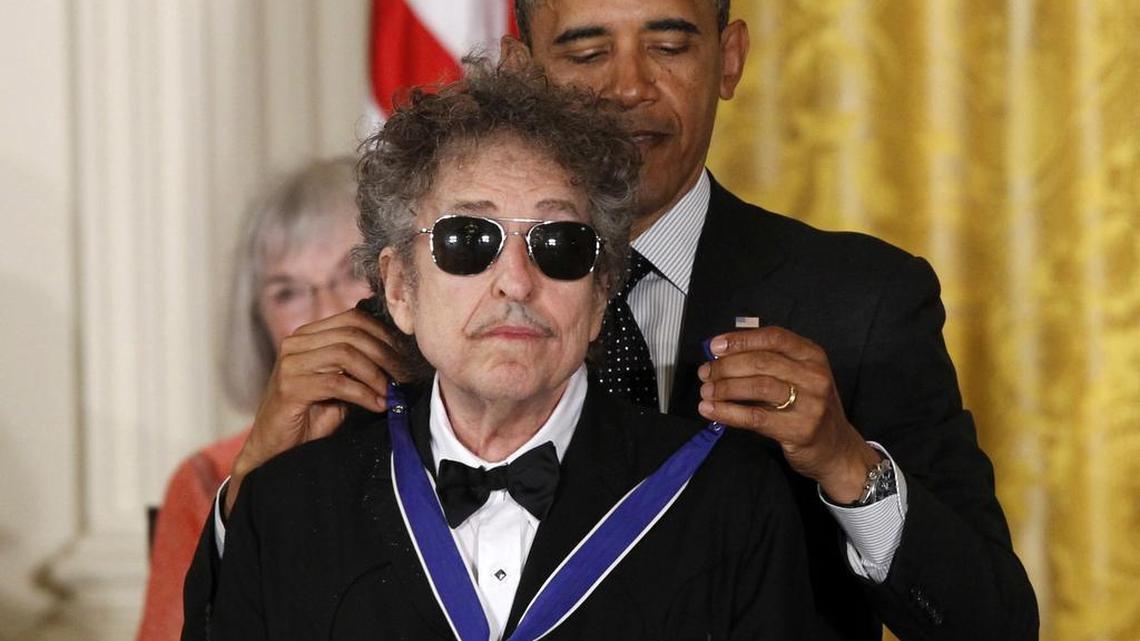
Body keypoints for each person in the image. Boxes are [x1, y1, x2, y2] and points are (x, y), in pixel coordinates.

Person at [187, 2, 1038, 640]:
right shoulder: (413, 321)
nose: (629, 86)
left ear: (729, 57)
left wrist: (849, 464)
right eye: (587, 48)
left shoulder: (862, 301)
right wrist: (258, 470)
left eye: (669, 44)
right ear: (520, 68)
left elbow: (994, 625)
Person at [187, 63, 812, 640]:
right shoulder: (289, 507)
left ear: (599, 296)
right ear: (400, 288)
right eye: (468, 239)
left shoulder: (726, 499)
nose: (515, 281)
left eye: (558, 243)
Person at [135, 157, 372, 641]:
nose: (327, 313)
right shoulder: (208, 480)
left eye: (353, 271)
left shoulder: (474, 443)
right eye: (288, 293)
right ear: (258, 325)